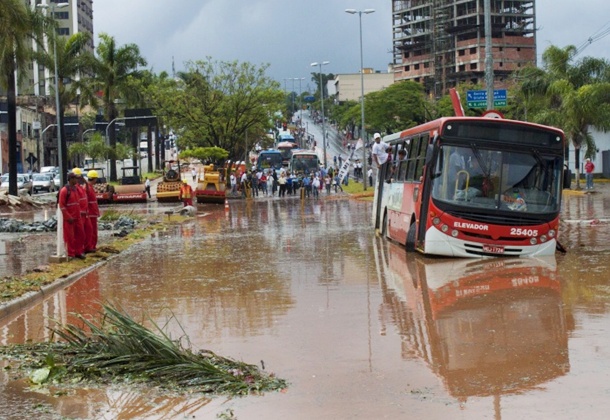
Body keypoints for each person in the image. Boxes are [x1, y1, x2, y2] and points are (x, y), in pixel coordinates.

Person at [58, 172, 85, 260]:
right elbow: (62, 205)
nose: (77, 180)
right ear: (71, 179)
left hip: (77, 217)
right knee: (69, 237)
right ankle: (71, 253)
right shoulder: (64, 191)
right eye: (75, 178)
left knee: (80, 234)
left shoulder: (75, 189)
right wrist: (67, 217)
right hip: (70, 218)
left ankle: (78, 252)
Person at [85, 170, 100, 253]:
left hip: (92, 213)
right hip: (90, 213)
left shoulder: (90, 187)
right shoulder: (87, 188)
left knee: (93, 231)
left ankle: (92, 246)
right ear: (94, 179)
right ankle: (90, 246)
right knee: (91, 231)